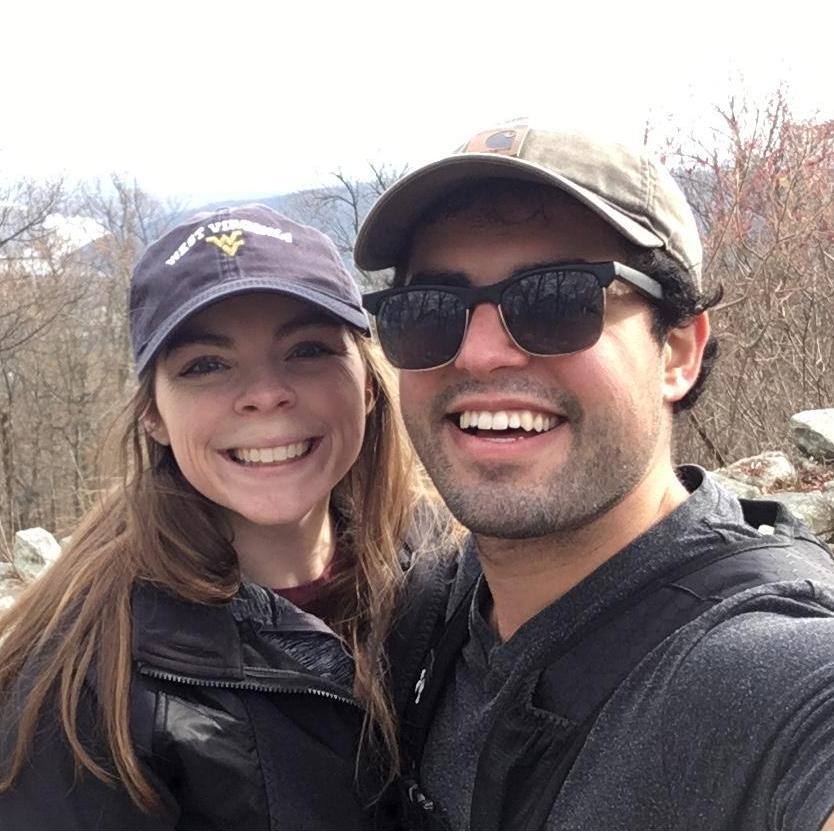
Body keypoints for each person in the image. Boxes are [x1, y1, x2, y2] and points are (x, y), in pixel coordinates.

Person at [354, 125, 834, 830]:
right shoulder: (432, 615)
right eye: (430, 312)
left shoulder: (758, 674)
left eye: (556, 300)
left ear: (676, 351)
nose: (481, 354)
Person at [0, 204, 427, 828]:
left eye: (307, 349)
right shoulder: (85, 694)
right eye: (205, 364)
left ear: (365, 382)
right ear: (154, 415)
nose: (264, 393)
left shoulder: (452, 576)